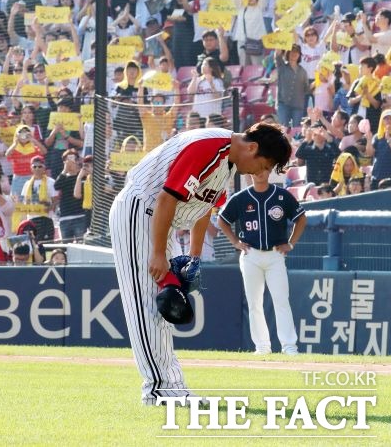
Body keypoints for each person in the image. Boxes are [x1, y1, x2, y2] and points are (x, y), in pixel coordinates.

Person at [109, 122, 292, 404]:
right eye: (264, 164)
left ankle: (172, 387)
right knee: (145, 304)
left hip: (158, 221)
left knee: (162, 306)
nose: (262, 173)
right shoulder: (210, 146)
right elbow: (166, 197)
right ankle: (159, 391)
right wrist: (158, 253)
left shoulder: (229, 163)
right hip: (140, 211)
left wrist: (194, 256)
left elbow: (203, 208)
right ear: (252, 148)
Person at [218, 168, 306, 355]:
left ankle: (289, 347)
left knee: (281, 300)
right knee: (254, 302)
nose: (260, 172)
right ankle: (262, 346)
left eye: (264, 168)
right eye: (256, 169)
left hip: (275, 254)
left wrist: (291, 243)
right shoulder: (241, 198)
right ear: (250, 173)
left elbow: (301, 218)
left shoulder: (281, 195)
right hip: (251, 254)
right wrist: (235, 242)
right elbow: (222, 219)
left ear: (269, 171)